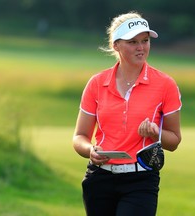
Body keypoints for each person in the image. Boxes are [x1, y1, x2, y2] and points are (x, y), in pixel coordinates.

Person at [73, 11, 182, 216]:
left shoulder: (165, 84)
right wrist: (90, 151)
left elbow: (174, 141)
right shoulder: (97, 83)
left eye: (145, 40)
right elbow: (79, 137)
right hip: (99, 179)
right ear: (116, 45)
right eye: (133, 42)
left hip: (141, 179)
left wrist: (155, 132)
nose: (141, 47)